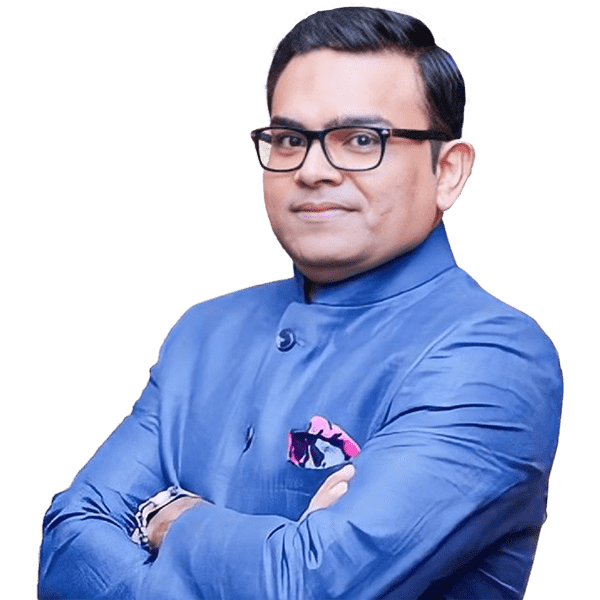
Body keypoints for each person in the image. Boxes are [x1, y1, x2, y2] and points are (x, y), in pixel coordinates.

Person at [38, 6, 562, 599]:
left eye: (361, 140)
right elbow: (66, 548)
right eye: (289, 139)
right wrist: (280, 548)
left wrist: (168, 518)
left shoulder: (491, 356)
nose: (312, 169)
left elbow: (306, 586)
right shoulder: (204, 332)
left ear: (448, 171)